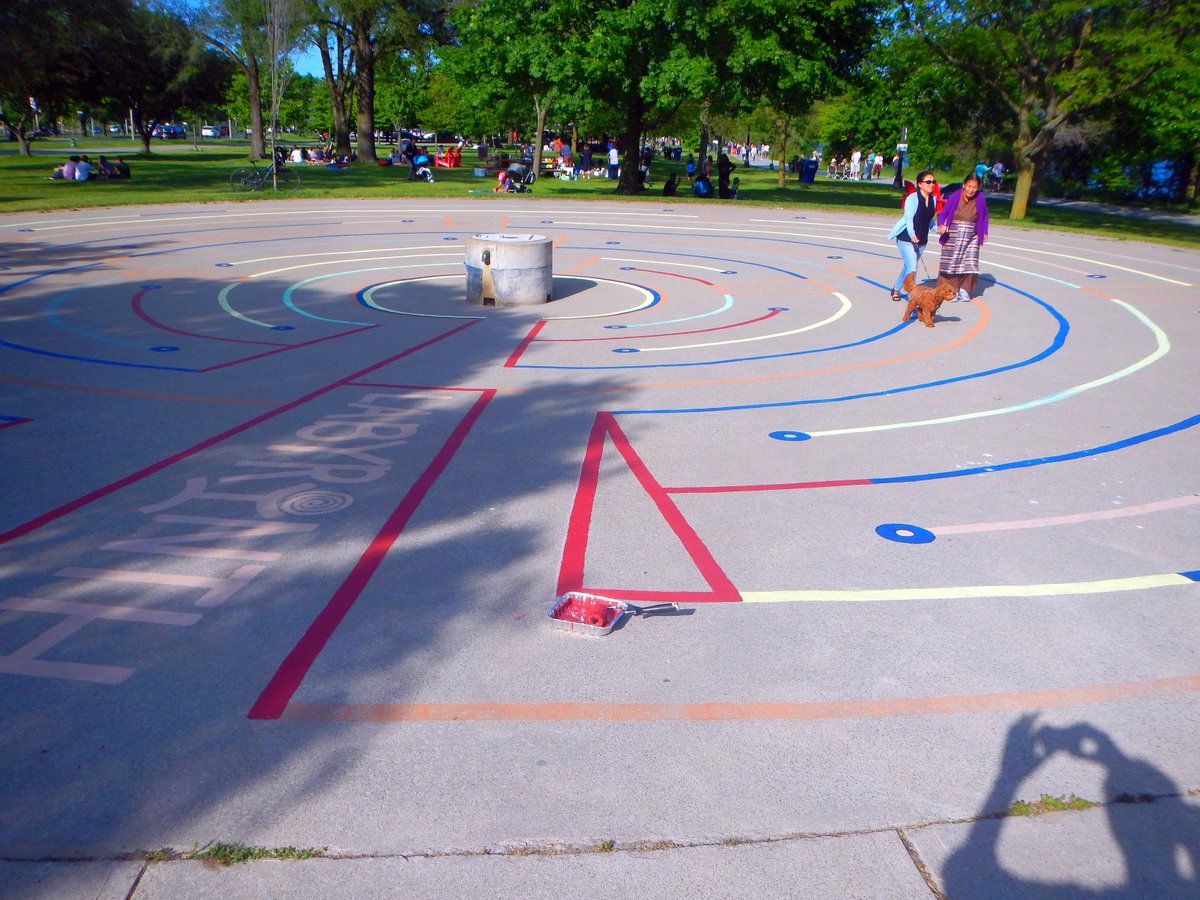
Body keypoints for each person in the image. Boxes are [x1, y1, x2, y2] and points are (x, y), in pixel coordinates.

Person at [887, 169, 938, 302]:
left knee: (909, 266)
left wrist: (938, 229)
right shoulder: (913, 198)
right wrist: (912, 234)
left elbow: (928, 219)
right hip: (906, 238)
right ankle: (913, 299)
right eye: (928, 182)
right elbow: (909, 218)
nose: (931, 184)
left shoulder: (933, 199)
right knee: (912, 267)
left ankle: (896, 289)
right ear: (920, 184)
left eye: (933, 182)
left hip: (922, 239)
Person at [937, 173, 989, 302]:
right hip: (953, 232)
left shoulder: (981, 198)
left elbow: (985, 217)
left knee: (970, 262)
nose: (971, 190)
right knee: (952, 262)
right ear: (964, 185)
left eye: (974, 187)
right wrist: (941, 225)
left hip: (972, 234)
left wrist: (984, 231)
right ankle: (951, 289)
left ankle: (965, 289)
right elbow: (942, 214)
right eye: (969, 186)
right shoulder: (955, 196)